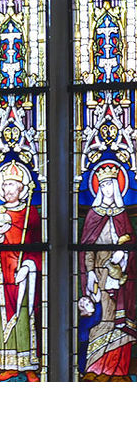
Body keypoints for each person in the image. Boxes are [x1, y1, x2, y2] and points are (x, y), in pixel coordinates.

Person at [0, 160, 42, 381]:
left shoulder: (31, 213)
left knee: (24, 315)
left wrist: (27, 266)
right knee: (1, 315)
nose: (8, 190)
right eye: (5, 185)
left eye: (13, 185)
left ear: (22, 188)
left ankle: (28, 366)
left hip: (24, 273)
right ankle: (8, 364)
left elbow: (37, 245)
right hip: (1, 274)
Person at [78, 161, 136, 380]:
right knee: (100, 320)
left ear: (117, 187)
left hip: (121, 279)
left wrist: (124, 255)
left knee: (119, 324)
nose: (107, 190)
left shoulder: (122, 216)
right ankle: (95, 369)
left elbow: (131, 243)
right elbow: (86, 247)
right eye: (103, 186)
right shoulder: (94, 215)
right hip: (99, 278)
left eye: (111, 185)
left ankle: (117, 371)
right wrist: (90, 271)